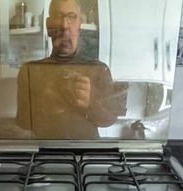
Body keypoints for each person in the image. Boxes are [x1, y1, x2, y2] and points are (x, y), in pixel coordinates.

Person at [16, 0, 121, 139]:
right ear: (48, 26)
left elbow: (110, 119)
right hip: (45, 151)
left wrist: (90, 102)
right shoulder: (30, 72)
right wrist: (44, 102)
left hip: (87, 151)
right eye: (58, 17)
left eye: (72, 17)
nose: (64, 25)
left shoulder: (99, 70)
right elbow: (23, 123)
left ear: (79, 25)